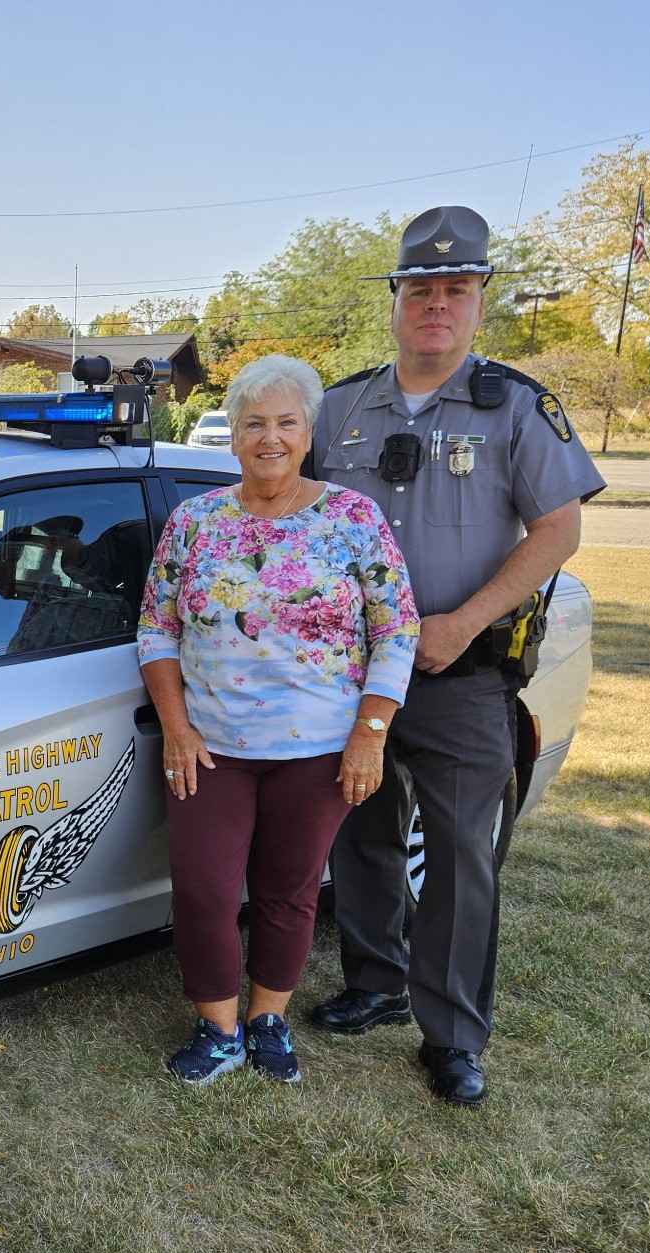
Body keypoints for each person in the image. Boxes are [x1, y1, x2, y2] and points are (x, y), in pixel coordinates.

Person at [304, 206, 602, 1106]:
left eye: (456, 289)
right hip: (353, 675)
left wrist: (463, 621)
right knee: (361, 833)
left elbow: (559, 529)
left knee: (464, 857)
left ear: (479, 302)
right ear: (396, 299)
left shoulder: (514, 406)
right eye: (421, 288)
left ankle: (454, 1033)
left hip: (459, 673)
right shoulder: (338, 406)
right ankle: (374, 981)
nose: (437, 303)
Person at [139, 354, 420, 1088]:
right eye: (253, 423)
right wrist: (176, 726)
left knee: (289, 891)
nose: (269, 437)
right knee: (202, 888)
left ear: (308, 432)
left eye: (285, 423)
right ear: (231, 437)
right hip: (210, 746)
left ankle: (268, 1021)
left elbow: (397, 630)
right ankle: (218, 1027)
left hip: (320, 748)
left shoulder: (352, 519)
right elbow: (156, 630)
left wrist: (370, 733)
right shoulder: (195, 521)